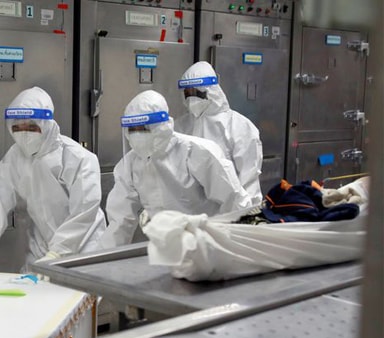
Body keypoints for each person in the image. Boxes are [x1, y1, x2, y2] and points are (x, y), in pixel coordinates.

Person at [0, 86, 106, 278]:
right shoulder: (15, 156)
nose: (24, 134)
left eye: (32, 127)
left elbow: (84, 212)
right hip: (43, 247)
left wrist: (57, 252)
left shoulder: (77, 158)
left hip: (85, 246)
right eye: (18, 128)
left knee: (76, 303)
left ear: (47, 124)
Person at [100, 90, 253, 248]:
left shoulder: (197, 152)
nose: (137, 135)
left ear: (162, 125)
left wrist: (238, 247)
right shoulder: (130, 164)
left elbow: (234, 202)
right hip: (166, 250)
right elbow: (120, 220)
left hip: (209, 244)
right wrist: (100, 259)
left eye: (143, 128)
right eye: (132, 130)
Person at [176, 61, 264, 204]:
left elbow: (249, 181)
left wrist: (246, 215)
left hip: (228, 211)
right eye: (187, 93)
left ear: (211, 91)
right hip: (191, 212)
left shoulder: (239, 127)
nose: (192, 98)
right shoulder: (180, 125)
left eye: (197, 92)